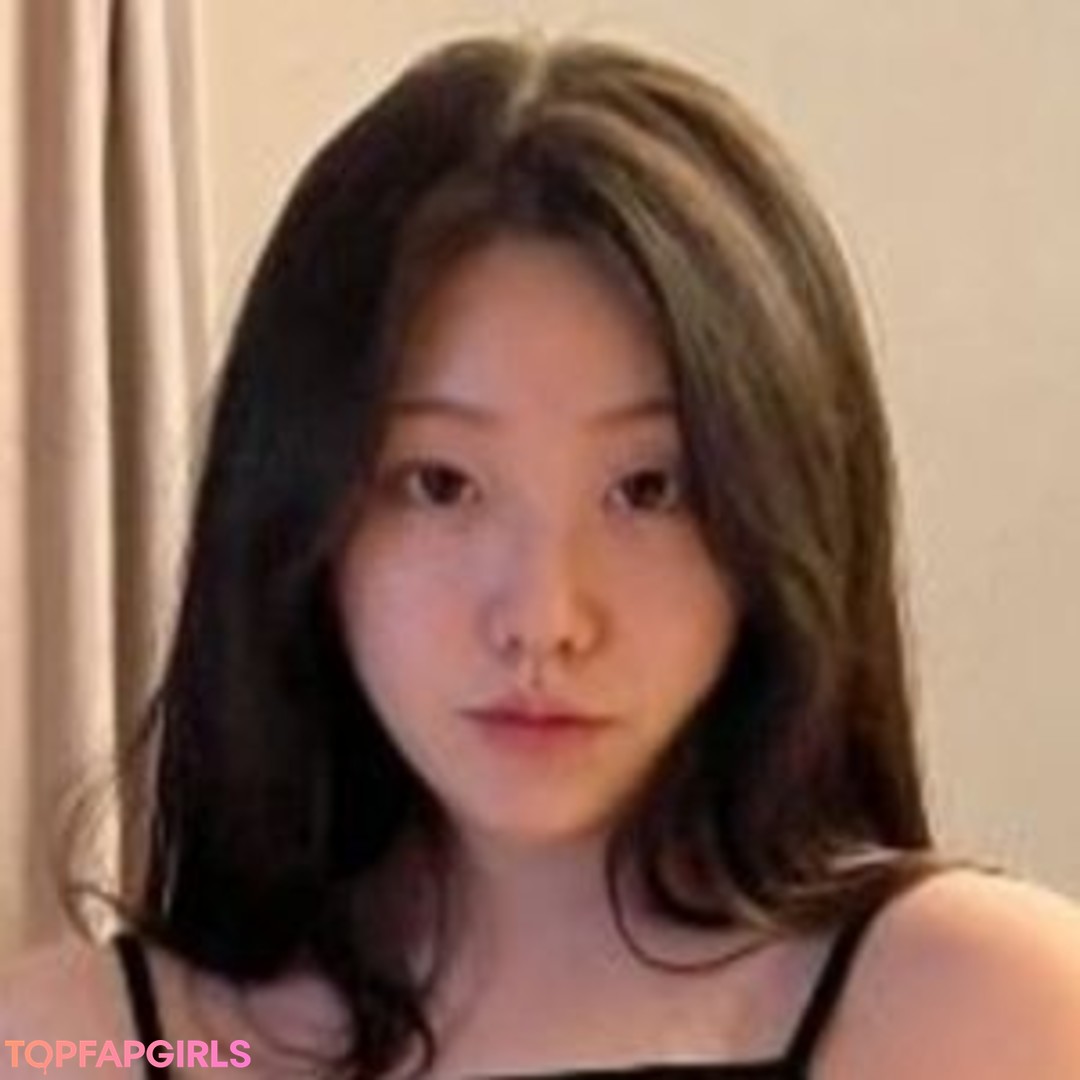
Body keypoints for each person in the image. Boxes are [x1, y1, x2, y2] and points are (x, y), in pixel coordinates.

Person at [2, 33, 1080, 1080]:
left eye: (649, 491)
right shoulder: (94, 1039)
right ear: (297, 512)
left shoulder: (979, 1011)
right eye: (440, 484)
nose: (544, 617)